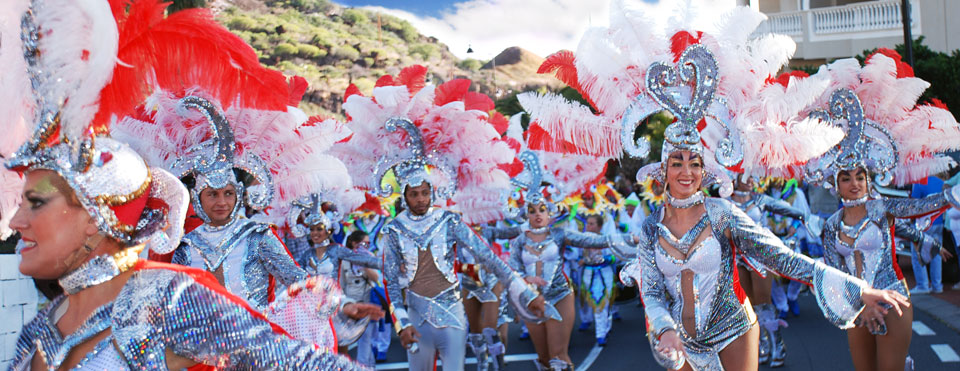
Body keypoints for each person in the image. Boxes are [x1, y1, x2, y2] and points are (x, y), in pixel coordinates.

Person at [522, 4, 914, 369]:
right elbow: (654, 292)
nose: (687, 171)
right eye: (678, 162)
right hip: (678, 339)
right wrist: (664, 327)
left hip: (734, 331)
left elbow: (783, 259)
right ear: (663, 172)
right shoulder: (649, 227)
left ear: (705, 171)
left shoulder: (722, 214)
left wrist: (857, 290)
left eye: (695, 162)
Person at [3, 1, 364, 368]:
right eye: (212, 194)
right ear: (197, 198)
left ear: (97, 216)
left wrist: (338, 303)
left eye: (35, 202)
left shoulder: (167, 297)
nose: (16, 221)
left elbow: (298, 349)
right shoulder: (40, 330)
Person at [331, 69, 546, 371]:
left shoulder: (449, 221)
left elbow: (490, 258)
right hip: (416, 319)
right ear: (403, 196)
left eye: (424, 192)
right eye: (414, 194)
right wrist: (401, 323)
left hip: (453, 316)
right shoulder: (394, 229)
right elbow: (391, 281)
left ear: (432, 191)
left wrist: (525, 291)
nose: (420, 199)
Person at [808, 50, 960, 371]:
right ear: (836, 183)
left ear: (868, 178)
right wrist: (855, 307)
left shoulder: (882, 207)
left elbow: (916, 209)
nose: (853, 183)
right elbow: (832, 275)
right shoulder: (832, 226)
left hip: (892, 299)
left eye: (859, 176)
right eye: (845, 177)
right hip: (856, 305)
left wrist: (949, 196)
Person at [909, 175, 946, 294]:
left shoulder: (919, 182)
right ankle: (937, 285)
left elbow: (914, 207)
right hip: (938, 221)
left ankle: (923, 285)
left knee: (917, 254)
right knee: (936, 254)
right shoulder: (941, 182)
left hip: (923, 224)